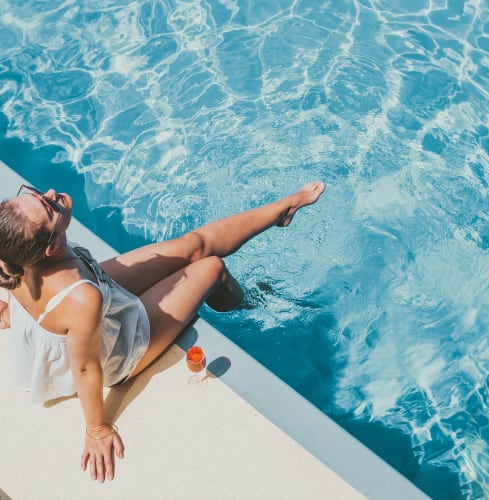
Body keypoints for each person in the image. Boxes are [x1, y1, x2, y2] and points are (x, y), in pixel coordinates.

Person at [0, 180, 325, 483]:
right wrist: (97, 428)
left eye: (35, 193)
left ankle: (282, 209)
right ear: (52, 246)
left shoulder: (12, 255)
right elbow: (85, 368)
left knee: (193, 245)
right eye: (48, 206)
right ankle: (250, 307)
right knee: (212, 268)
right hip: (118, 348)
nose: (53, 192)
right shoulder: (81, 298)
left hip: (95, 300)